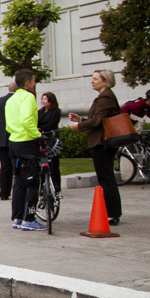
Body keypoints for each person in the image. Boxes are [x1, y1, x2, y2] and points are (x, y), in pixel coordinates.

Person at [69, 69, 124, 226]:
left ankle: (112, 214)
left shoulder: (106, 97)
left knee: (106, 178)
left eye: (95, 79)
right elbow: (97, 119)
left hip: (103, 143)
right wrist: (82, 119)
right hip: (101, 141)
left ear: (105, 81)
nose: (92, 81)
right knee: (106, 177)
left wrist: (79, 125)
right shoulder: (103, 97)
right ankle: (111, 212)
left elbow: (97, 122)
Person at [5, 69, 44, 231]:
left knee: (20, 183)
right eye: (34, 81)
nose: (35, 84)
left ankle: (18, 217)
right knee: (32, 182)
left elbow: (9, 123)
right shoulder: (28, 97)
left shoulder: (11, 99)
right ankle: (29, 218)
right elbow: (27, 120)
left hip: (13, 142)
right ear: (28, 83)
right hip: (26, 142)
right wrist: (38, 135)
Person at [0, 80, 18, 201]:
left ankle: (4, 192)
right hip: (17, 138)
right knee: (19, 165)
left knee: (6, 166)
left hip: (2, 140)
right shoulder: (20, 100)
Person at [37, 91, 62, 196]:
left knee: (54, 165)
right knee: (42, 164)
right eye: (42, 99)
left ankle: (57, 188)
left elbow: (51, 124)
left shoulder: (56, 111)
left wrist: (41, 128)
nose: (43, 101)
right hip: (42, 140)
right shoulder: (40, 112)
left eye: (46, 99)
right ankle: (42, 186)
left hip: (51, 140)